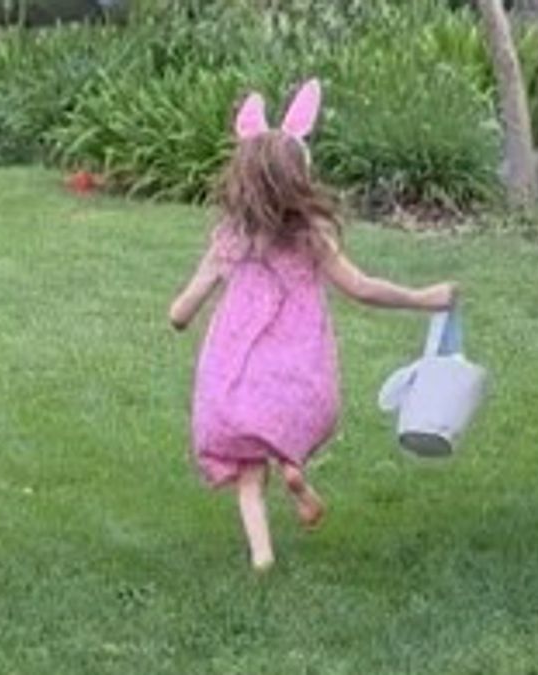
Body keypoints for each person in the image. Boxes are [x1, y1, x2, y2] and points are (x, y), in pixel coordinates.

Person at [169, 80, 456, 571]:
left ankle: (262, 555)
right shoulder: (312, 237)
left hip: (239, 368)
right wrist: (423, 298)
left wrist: (180, 310)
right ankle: (293, 469)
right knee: (282, 423)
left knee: (248, 471)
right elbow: (361, 287)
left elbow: (180, 313)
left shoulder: (231, 239)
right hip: (295, 365)